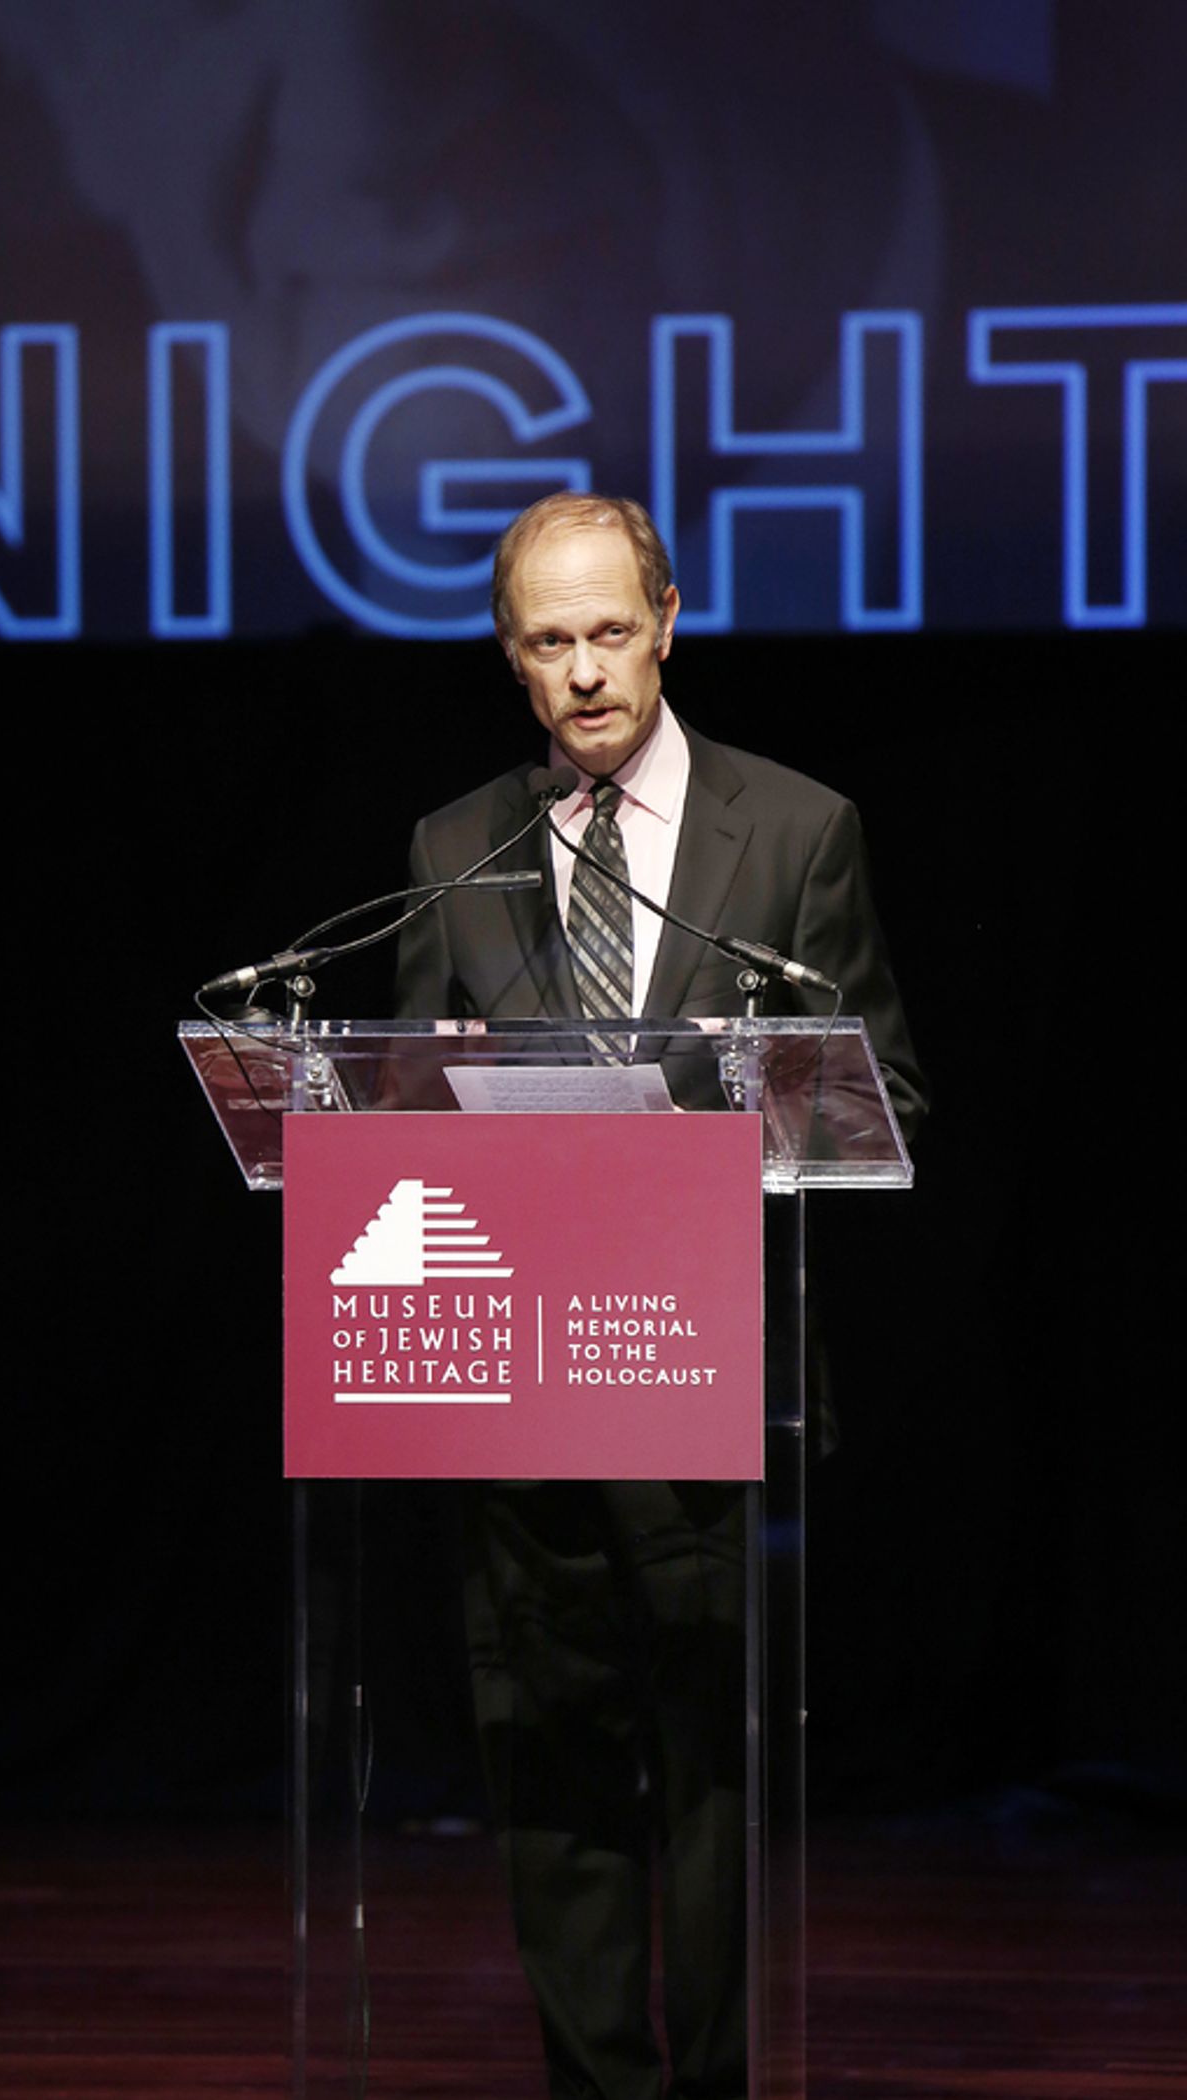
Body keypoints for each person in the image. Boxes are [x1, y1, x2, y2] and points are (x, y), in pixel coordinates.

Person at [393, 492, 926, 2100]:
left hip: (715, 1388)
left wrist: (734, 1119)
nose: (586, 674)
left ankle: (715, 2086)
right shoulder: (450, 850)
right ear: (510, 656)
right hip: (520, 1401)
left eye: (611, 632)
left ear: (671, 620)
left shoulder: (798, 829)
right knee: (551, 1777)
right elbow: (401, 1110)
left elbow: (884, 1092)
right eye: (548, 644)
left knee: (711, 1785)